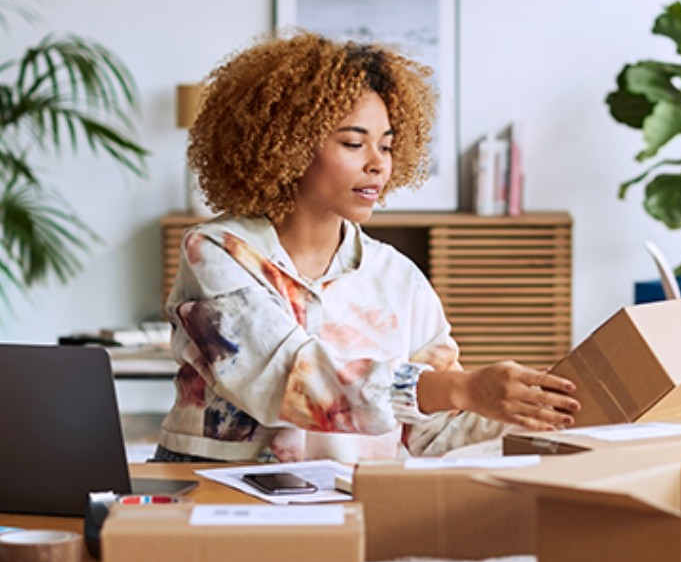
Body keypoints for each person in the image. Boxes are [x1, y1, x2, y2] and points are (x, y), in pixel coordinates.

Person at [154, 30, 579, 464]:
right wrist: (463, 387)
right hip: (218, 500)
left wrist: (535, 408)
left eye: (388, 145)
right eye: (354, 143)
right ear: (290, 146)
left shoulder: (399, 278)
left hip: (348, 502)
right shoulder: (219, 251)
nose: (378, 163)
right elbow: (288, 380)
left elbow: (434, 431)